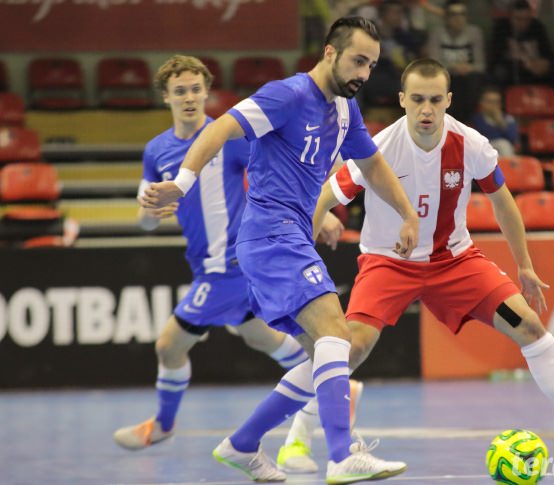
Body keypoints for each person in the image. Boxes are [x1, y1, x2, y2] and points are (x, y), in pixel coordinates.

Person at [141, 17, 419, 484]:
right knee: (336, 333)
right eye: (357, 60)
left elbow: (372, 164)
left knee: (323, 358)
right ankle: (341, 454)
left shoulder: (345, 111)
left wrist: (408, 214)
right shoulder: (287, 95)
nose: (365, 73)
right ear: (330, 53)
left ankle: (242, 445)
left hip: (289, 237)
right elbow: (220, 129)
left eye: (371, 64)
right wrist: (181, 183)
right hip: (271, 234)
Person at [312, 58, 554, 463]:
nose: (426, 110)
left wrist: (525, 265)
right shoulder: (378, 150)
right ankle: (308, 436)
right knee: (348, 349)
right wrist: (309, 242)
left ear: (448, 100)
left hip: (454, 262)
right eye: (418, 100)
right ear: (402, 100)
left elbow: (502, 201)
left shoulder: (471, 144)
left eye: (435, 100)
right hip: (388, 263)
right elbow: (325, 197)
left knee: (529, 325)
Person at [112, 55, 348, 452]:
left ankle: (165, 425)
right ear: (165, 98)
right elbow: (146, 221)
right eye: (179, 91)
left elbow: (279, 172)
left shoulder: (229, 138)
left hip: (231, 267)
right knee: (264, 339)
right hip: (208, 266)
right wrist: (152, 211)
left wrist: (316, 214)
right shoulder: (156, 151)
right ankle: (337, 380)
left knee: (168, 346)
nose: (189, 98)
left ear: (206, 92)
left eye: (195, 89)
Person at [488, 0, 554, 101]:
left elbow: (549, 55)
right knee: (499, 73)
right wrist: (526, 64)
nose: (523, 23)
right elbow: (495, 59)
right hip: (512, 70)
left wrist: (545, 63)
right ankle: (504, 107)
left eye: (526, 19)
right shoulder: (501, 28)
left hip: (535, 71)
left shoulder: (537, 26)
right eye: (518, 19)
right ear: (510, 18)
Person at [427, 0, 486, 122]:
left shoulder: (474, 33)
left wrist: (468, 68)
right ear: (446, 17)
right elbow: (433, 64)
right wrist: (453, 67)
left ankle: (467, 122)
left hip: (468, 78)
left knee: (472, 80)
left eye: (462, 14)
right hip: (446, 77)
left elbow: (481, 65)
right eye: (454, 14)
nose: (458, 18)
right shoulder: (437, 33)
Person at [471, 85, 519, 156]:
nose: (493, 105)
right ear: (481, 103)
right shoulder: (477, 119)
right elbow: (484, 136)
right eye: (490, 101)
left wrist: (500, 121)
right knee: (503, 144)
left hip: (505, 149)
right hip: (483, 149)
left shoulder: (508, 119)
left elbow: (513, 138)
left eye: (496, 102)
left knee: (504, 145)